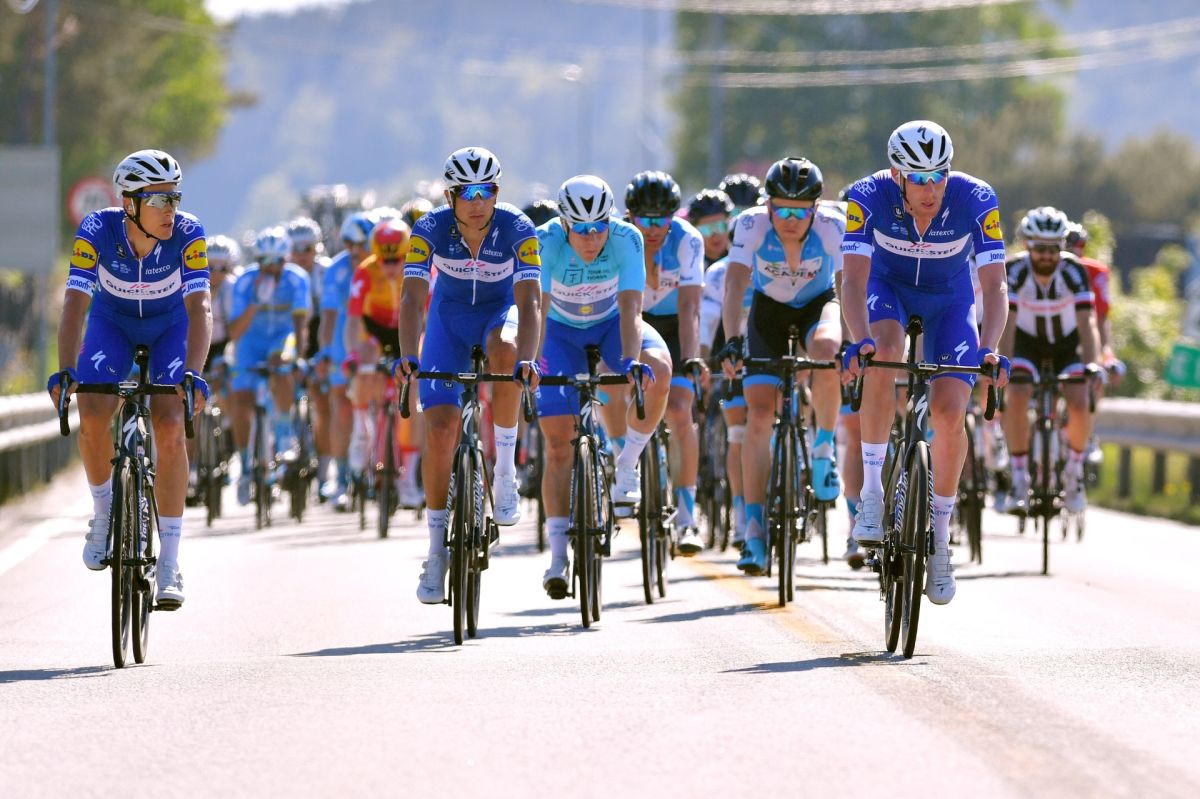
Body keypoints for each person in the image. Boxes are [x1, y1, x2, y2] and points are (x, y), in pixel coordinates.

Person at [841, 120, 1010, 606]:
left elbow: (995, 284)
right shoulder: (866, 195)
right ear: (897, 176)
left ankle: (939, 538)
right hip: (887, 290)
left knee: (950, 410)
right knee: (884, 352)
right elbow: (852, 281)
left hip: (950, 302)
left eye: (939, 175)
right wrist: (859, 340)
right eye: (919, 178)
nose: (931, 188)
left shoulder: (977, 197)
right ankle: (872, 496)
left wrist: (990, 346)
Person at [49, 149, 211, 609]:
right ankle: (103, 513)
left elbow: (199, 306)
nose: (170, 209)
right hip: (113, 324)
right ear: (129, 203)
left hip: (170, 327)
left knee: (170, 424)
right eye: (159, 199)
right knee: (93, 411)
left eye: (174, 197)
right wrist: (66, 369)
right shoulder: (96, 230)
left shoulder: (189, 233)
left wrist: (194, 373)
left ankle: (170, 561)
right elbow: (75, 304)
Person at [397, 147, 542, 604]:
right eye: (468, 192)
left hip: (500, 314)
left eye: (487, 191)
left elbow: (530, 301)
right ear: (450, 196)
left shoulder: (518, 227)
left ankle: (504, 472)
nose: (478, 201)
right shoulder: (428, 228)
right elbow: (412, 298)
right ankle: (436, 551)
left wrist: (528, 360)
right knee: (440, 429)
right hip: (449, 321)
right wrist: (407, 356)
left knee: (506, 350)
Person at [534, 175, 670, 596]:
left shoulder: (627, 238)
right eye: (581, 229)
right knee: (558, 445)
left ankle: (627, 461)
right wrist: (532, 363)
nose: (592, 238)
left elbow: (632, 308)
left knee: (659, 368)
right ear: (564, 224)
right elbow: (537, 309)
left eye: (599, 227)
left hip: (612, 325)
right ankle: (558, 557)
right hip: (558, 333)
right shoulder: (545, 241)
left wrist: (629, 361)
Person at [718, 157, 845, 575]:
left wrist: (853, 340)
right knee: (758, 413)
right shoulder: (751, 224)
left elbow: (847, 285)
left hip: (817, 305)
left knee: (827, 348)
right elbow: (735, 282)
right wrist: (732, 339)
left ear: (816, 209)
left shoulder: (832, 226)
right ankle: (754, 530)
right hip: (767, 312)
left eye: (800, 211)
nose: (790, 219)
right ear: (767, 205)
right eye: (782, 210)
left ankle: (823, 448)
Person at [623, 171, 705, 555]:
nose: (654, 228)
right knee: (619, 395)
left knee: (679, 410)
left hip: (673, 325)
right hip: (631, 323)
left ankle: (687, 517)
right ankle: (624, 466)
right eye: (645, 219)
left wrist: (691, 358)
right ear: (630, 216)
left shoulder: (688, 239)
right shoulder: (619, 238)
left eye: (662, 220)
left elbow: (690, 307)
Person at [1000, 207, 1103, 514]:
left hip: (1065, 346)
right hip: (1026, 344)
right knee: (1017, 393)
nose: (1046, 255)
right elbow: (1008, 322)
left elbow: (1087, 322)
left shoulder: (1073, 270)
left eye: (1053, 249)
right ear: (1027, 244)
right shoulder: (1015, 269)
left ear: (1062, 246)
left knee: (1079, 399)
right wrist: (1003, 364)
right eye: (1039, 248)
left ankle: (1073, 472)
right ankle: (1019, 477)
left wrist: (1093, 364)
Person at [228, 227, 311, 505]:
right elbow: (235, 332)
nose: (271, 267)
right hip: (250, 343)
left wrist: (298, 356)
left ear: (286, 259)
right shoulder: (244, 281)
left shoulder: (297, 279)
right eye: (264, 260)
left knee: (281, 363)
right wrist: (255, 302)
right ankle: (244, 466)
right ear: (257, 260)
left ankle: (285, 433)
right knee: (241, 401)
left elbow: (300, 322)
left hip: (281, 338)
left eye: (277, 261)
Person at [344, 219, 421, 507]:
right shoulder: (365, 272)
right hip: (374, 330)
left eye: (396, 259)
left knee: (412, 396)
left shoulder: (418, 269)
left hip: (407, 329)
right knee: (365, 362)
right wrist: (353, 354)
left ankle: (408, 478)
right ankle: (361, 430)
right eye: (384, 260)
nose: (390, 266)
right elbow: (353, 321)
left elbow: (428, 317)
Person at [318, 211, 374, 509]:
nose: (354, 251)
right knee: (341, 405)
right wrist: (325, 351)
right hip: (343, 342)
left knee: (379, 405)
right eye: (348, 244)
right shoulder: (336, 269)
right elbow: (327, 316)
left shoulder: (380, 265)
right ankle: (340, 478)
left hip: (373, 341)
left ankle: (381, 471)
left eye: (360, 245)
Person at [287, 217, 334, 492]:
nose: (301, 254)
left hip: (320, 333)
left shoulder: (326, 271)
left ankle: (325, 471)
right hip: (289, 333)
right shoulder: (283, 273)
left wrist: (325, 354)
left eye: (307, 248)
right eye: (295, 249)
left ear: (317, 248)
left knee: (322, 403)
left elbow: (332, 316)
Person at [687, 189, 735, 266]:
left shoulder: (745, 259)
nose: (715, 235)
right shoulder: (688, 263)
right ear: (695, 230)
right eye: (706, 229)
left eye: (720, 226)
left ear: (730, 222)